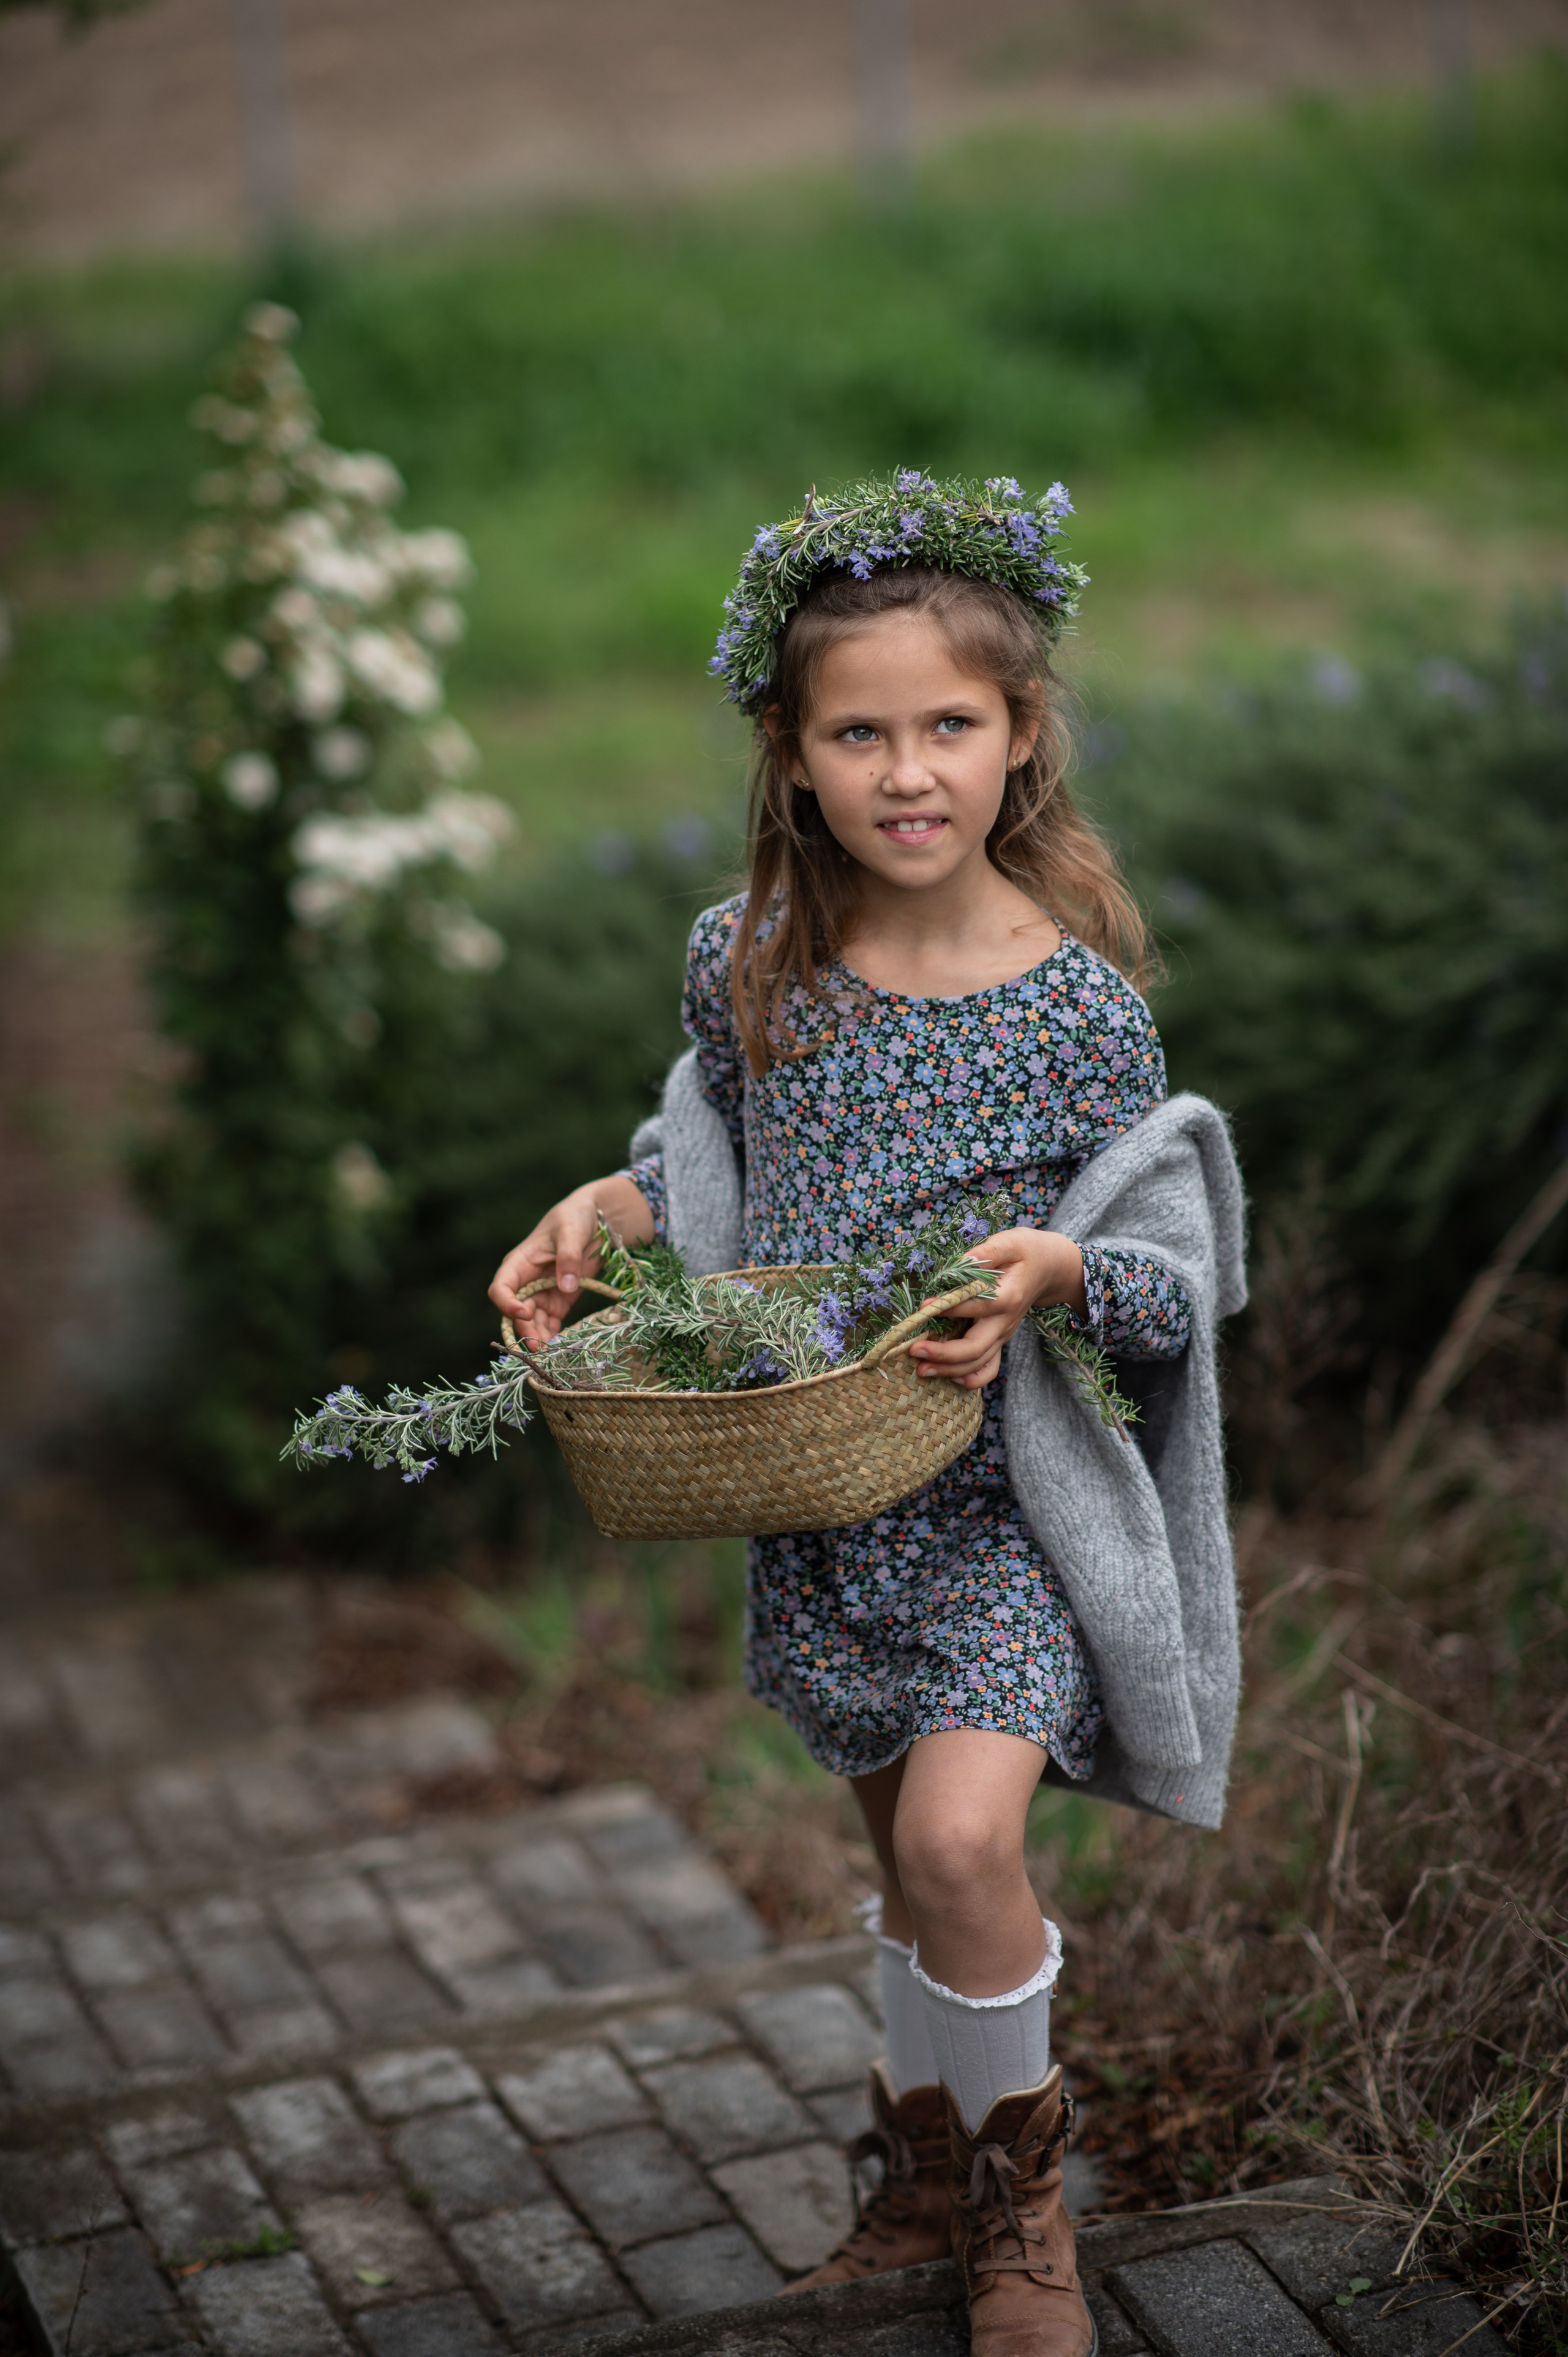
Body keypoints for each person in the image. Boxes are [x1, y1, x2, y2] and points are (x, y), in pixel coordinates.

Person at [491, 471, 1245, 2357]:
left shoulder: (1079, 1015)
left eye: (950, 726)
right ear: (792, 753)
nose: (909, 771)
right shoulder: (751, 967)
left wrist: (1048, 1276)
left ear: (1018, 739)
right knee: (902, 1863)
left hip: (997, 1495)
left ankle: (1021, 2224)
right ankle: (918, 2172)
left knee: (972, 1848)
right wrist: (607, 1211)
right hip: (819, 1491)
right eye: (861, 731)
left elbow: (1172, 1279)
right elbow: (708, 1174)